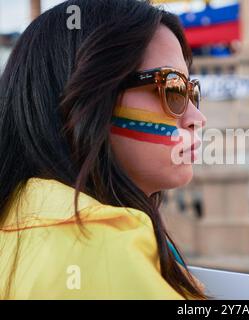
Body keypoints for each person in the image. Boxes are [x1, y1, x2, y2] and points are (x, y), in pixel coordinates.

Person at [0, 0, 207, 299]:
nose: (197, 119)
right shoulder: (101, 245)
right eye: (172, 88)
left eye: (191, 92)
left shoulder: (15, 222)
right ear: (88, 100)